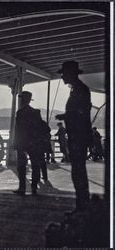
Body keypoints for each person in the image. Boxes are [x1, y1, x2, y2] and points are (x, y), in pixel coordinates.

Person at [55, 61, 93, 213]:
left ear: (71, 74)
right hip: (77, 136)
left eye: (64, 73)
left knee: (78, 171)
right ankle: (82, 205)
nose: (62, 76)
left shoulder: (81, 90)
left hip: (78, 136)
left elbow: (81, 112)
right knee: (78, 170)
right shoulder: (77, 89)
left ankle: (82, 206)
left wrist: (65, 115)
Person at [13, 91, 44, 196]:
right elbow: (40, 128)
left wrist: (16, 143)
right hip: (34, 143)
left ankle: (22, 188)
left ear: (22, 100)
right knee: (35, 165)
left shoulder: (20, 113)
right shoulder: (36, 112)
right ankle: (34, 187)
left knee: (21, 166)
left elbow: (18, 130)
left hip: (22, 143)